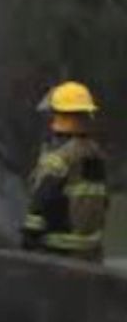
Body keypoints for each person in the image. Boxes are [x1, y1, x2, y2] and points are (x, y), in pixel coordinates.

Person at [23, 81, 109, 263]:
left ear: (58, 116)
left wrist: (28, 240)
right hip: (91, 258)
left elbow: (40, 206)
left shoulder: (59, 158)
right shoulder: (95, 154)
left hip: (58, 257)